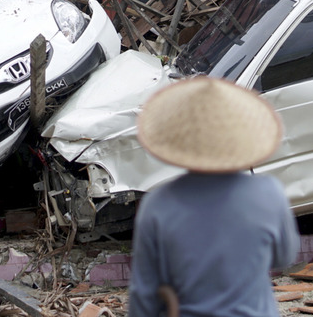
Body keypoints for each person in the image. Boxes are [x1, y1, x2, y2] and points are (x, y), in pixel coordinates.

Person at [127, 76, 300, 317]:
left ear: (180, 141)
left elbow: (144, 294)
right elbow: (284, 257)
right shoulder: (269, 193)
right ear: (241, 138)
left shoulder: (157, 205)